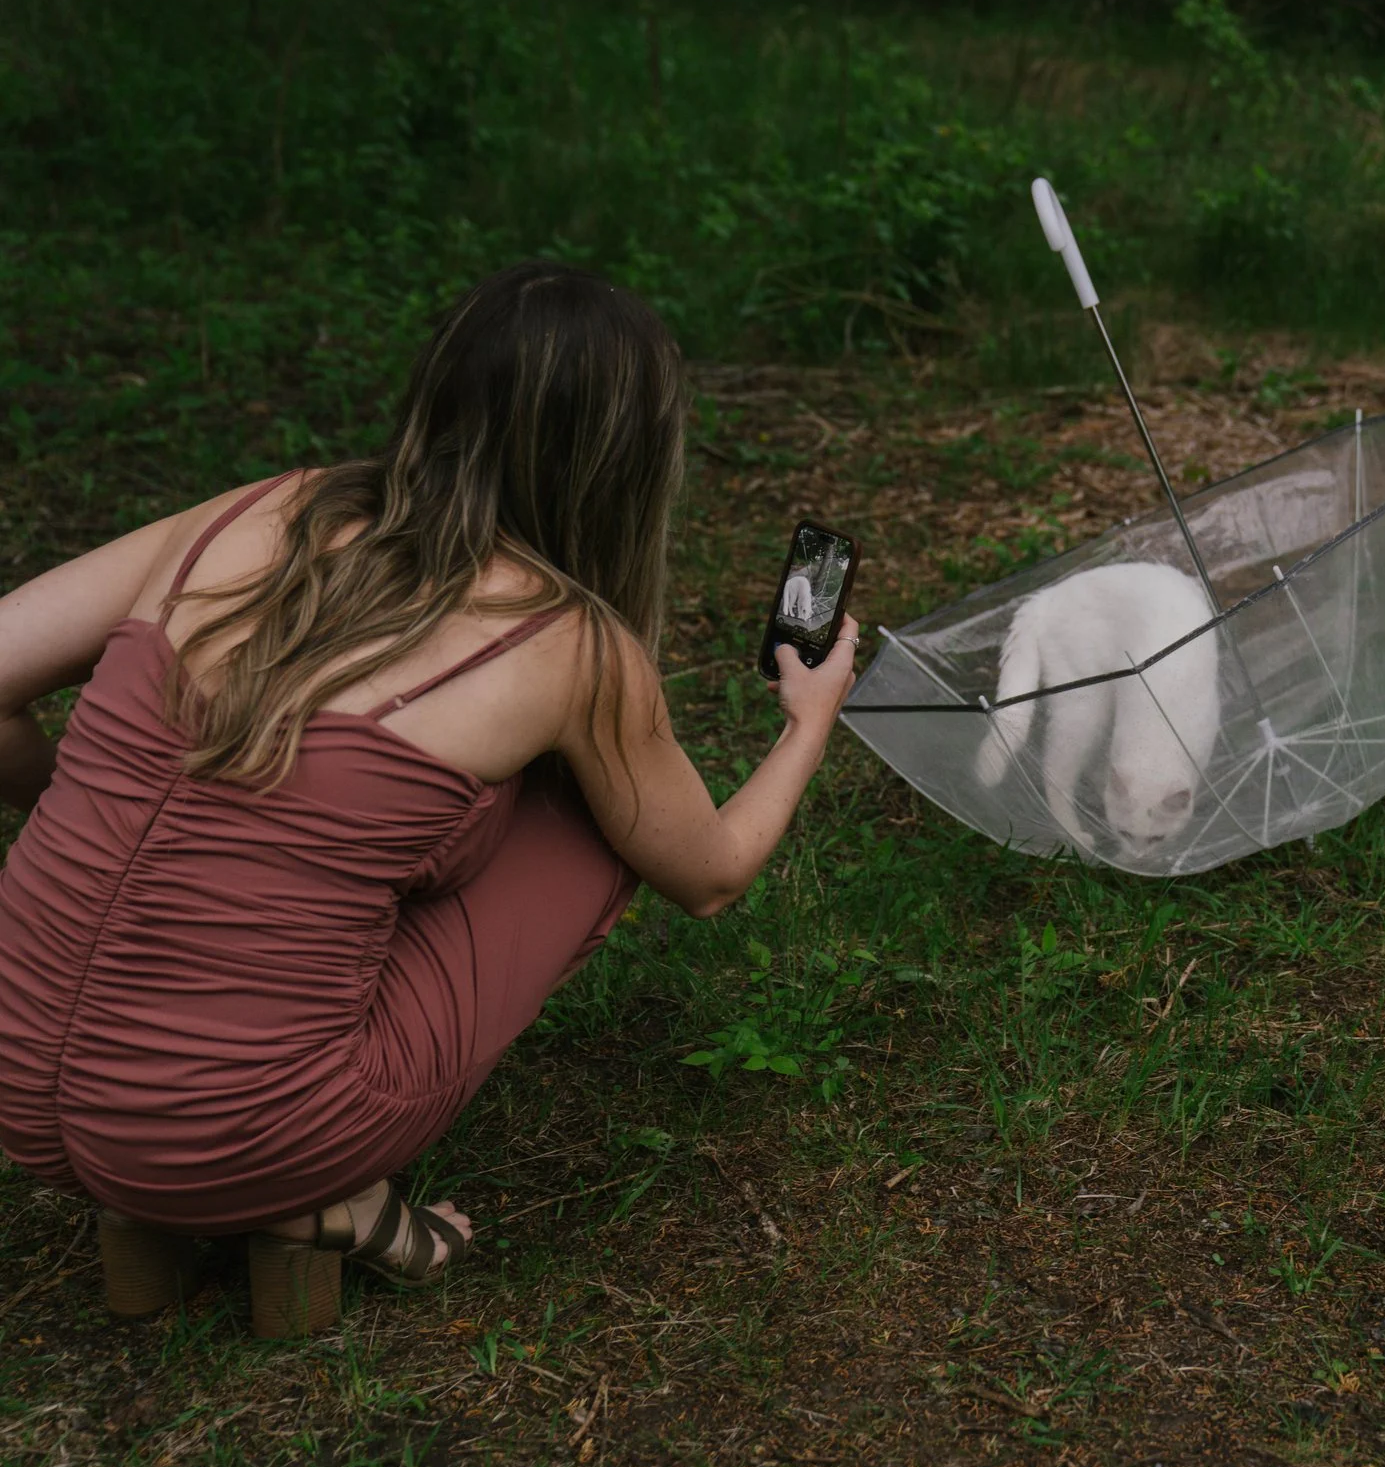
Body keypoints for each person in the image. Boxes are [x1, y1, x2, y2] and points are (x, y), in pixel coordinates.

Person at [0, 262, 857, 1337]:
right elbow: (713, 872)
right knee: (595, 823)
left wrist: (67, 802)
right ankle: (321, 1197)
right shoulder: (566, 644)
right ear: (623, 458)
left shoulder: (258, 511)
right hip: (240, 1133)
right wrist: (809, 720)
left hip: (21, 1080)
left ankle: (155, 1207)